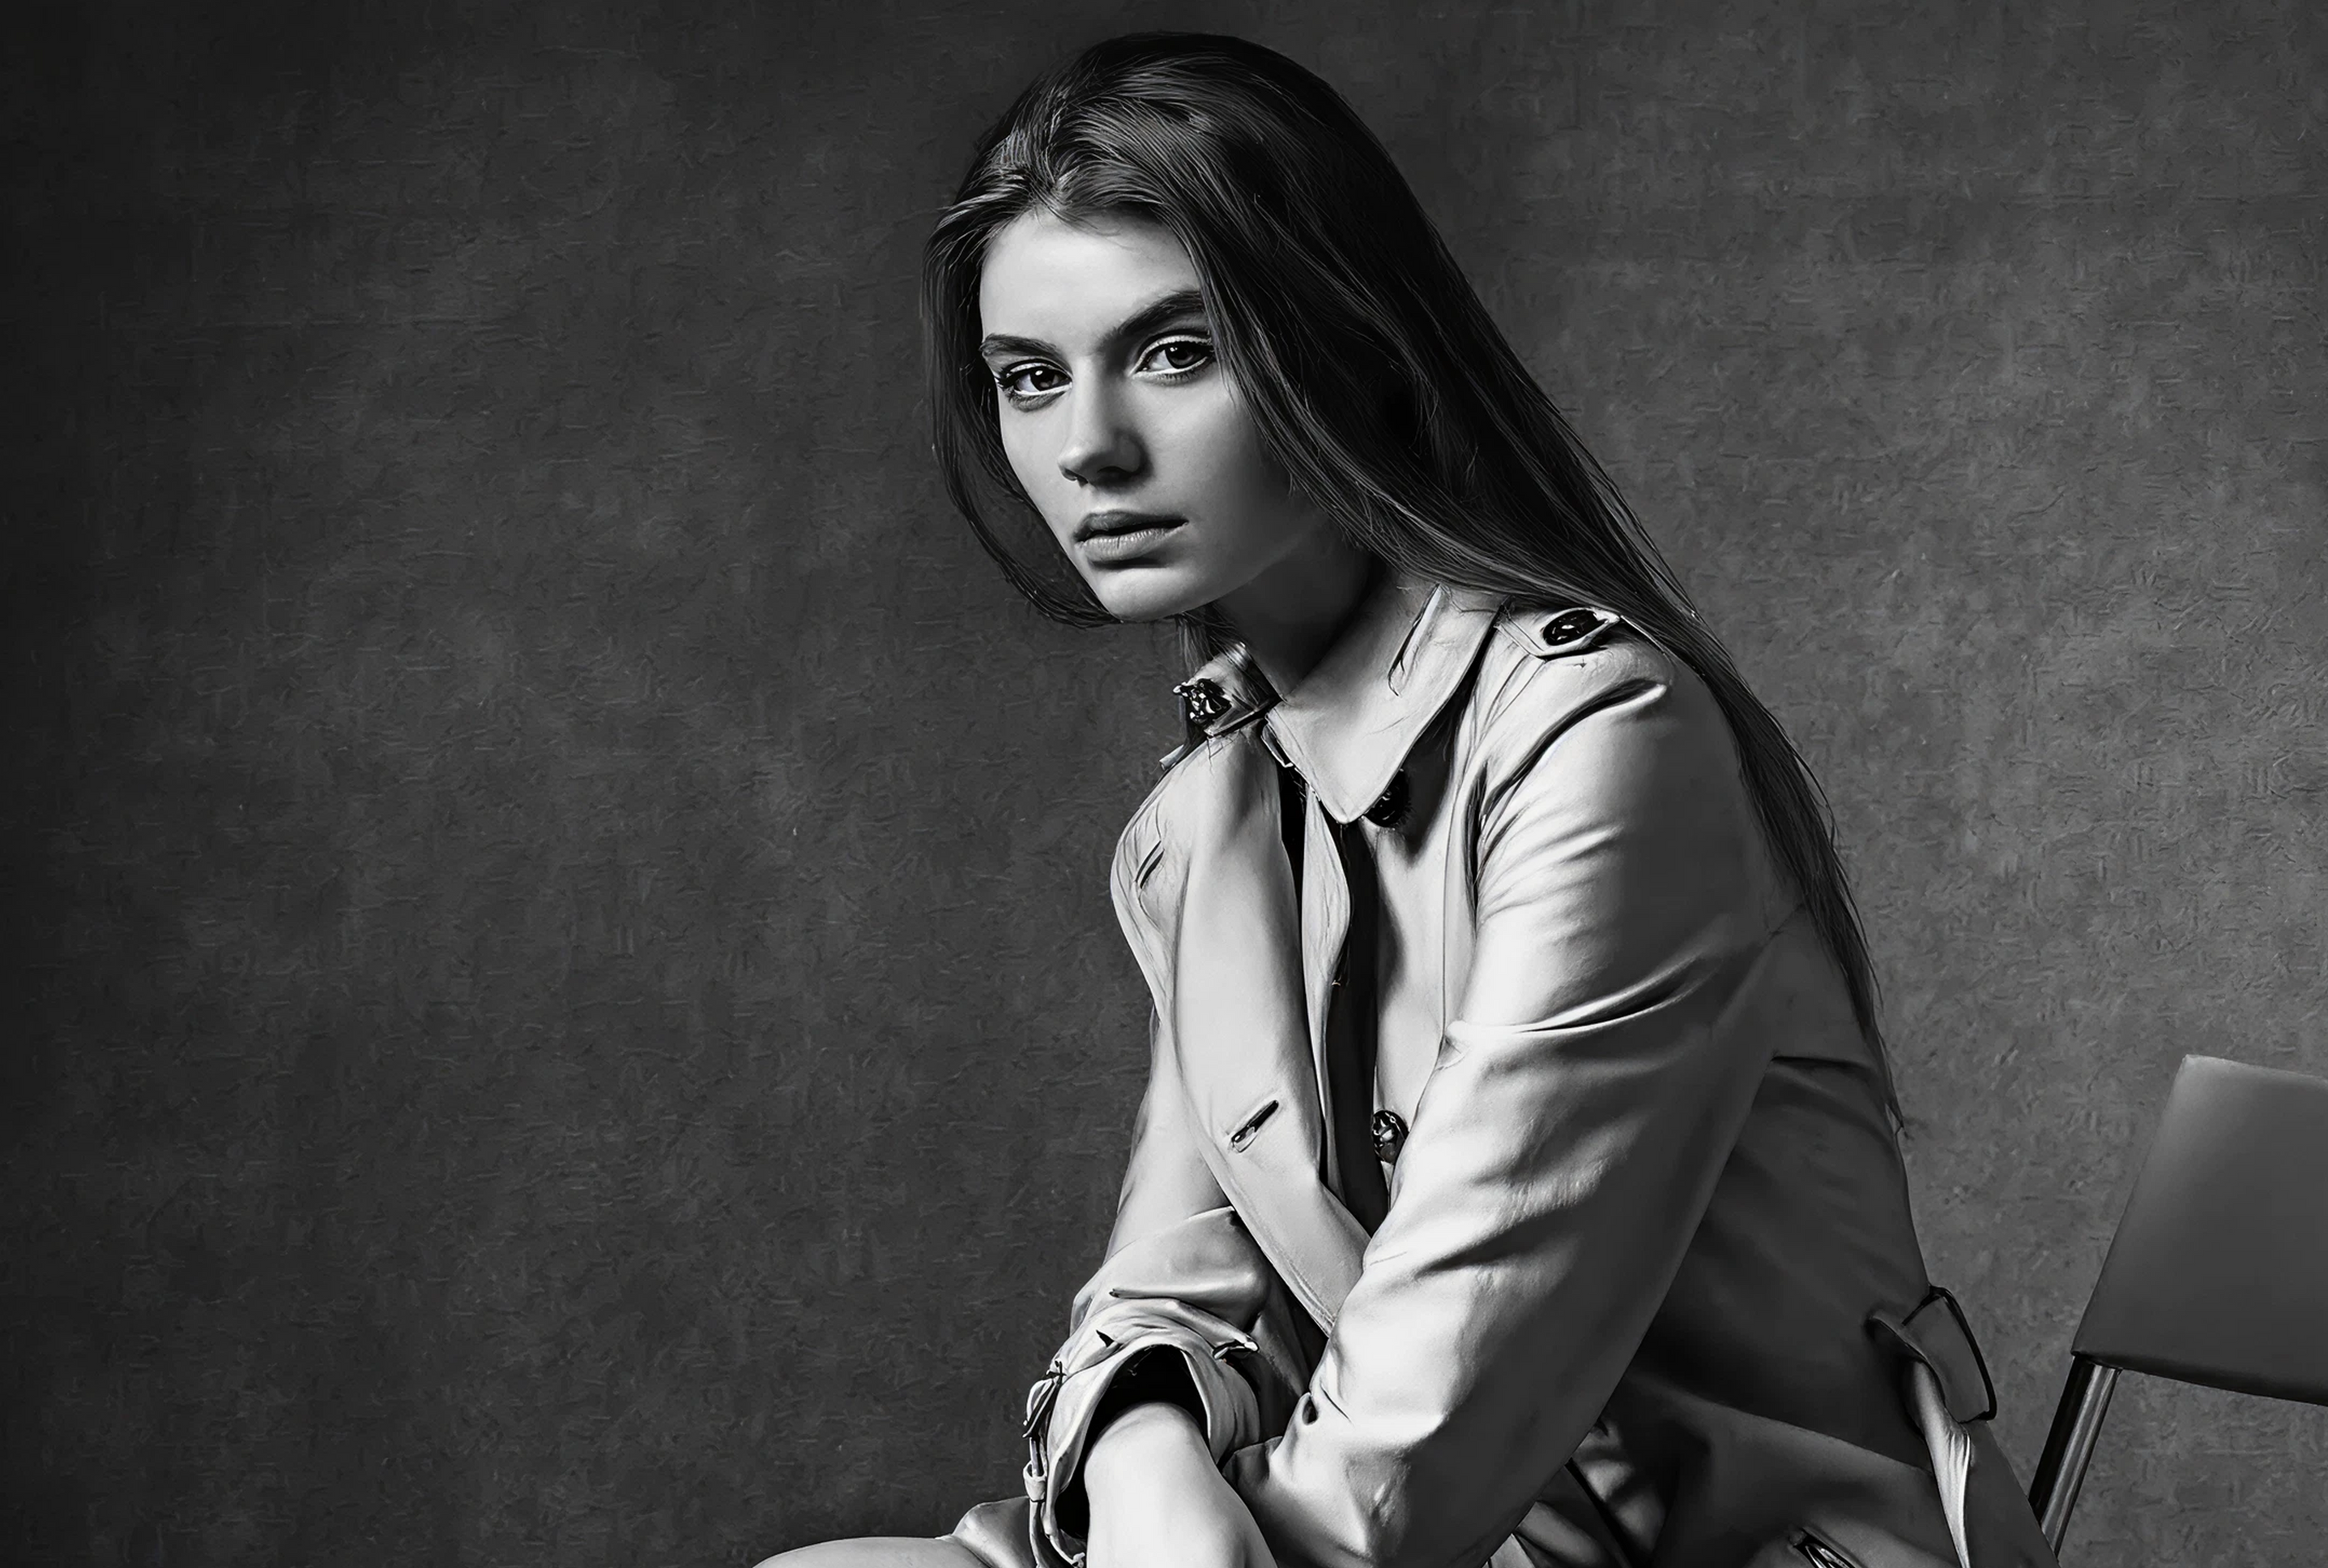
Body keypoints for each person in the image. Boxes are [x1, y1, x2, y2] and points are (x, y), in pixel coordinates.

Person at [763, 32, 2053, 1568]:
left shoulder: (1598, 736)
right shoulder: (1205, 824)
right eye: (1030, 379)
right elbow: (1177, 1279)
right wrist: (1145, 1448)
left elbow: (1438, 1410)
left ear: (1346, 343)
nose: (1088, 448)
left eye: (1175, 352)